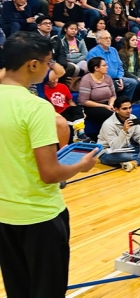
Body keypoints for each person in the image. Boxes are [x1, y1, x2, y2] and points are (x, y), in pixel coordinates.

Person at [0, 32, 97, 298]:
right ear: (32, 64)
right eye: (48, 62)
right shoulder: (36, 108)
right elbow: (50, 173)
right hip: (40, 217)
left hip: (4, 215)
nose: (51, 68)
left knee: (17, 289)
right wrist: (82, 165)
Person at [87, 31, 138, 99]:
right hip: (102, 80)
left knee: (133, 82)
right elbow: (94, 72)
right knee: (114, 84)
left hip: (117, 77)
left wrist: (120, 78)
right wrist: (111, 80)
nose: (108, 40)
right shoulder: (92, 53)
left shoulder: (113, 50)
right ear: (98, 40)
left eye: (109, 38)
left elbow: (120, 66)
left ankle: (124, 103)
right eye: (106, 38)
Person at [97, 96, 140, 171]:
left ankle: (134, 161)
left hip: (127, 148)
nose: (128, 111)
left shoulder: (133, 118)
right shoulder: (108, 124)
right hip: (107, 152)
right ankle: (138, 160)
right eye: (125, 109)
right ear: (116, 110)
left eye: (130, 108)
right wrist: (124, 131)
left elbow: (138, 136)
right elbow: (115, 147)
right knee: (126, 156)